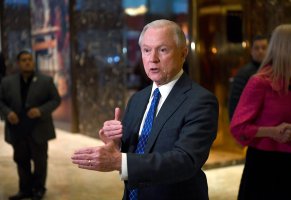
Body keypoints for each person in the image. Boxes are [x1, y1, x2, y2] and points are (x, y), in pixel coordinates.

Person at [71, 19, 219, 200]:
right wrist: (116, 144)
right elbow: (137, 151)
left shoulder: (201, 101)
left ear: (183, 53)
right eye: (146, 50)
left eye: (163, 50)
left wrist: (120, 162)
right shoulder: (137, 99)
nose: (153, 58)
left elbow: (185, 161)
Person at [230, 24, 291, 200]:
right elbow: (238, 127)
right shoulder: (259, 82)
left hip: (289, 163)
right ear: (289, 48)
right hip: (262, 166)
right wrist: (272, 132)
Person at [0, 50, 61, 200]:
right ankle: (25, 190)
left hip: (38, 129)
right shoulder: (7, 82)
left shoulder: (46, 81)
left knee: (40, 162)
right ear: (18, 63)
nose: (27, 62)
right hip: (17, 129)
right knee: (21, 161)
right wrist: (8, 113)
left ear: (33, 62)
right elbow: (1, 101)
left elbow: (55, 100)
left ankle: (39, 189)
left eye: (29, 59)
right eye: (23, 60)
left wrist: (40, 110)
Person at [228, 35, 268, 120]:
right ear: (251, 51)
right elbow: (235, 102)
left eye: (264, 48)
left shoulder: (274, 70)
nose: (260, 51)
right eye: (256, 48)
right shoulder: (244, 73)